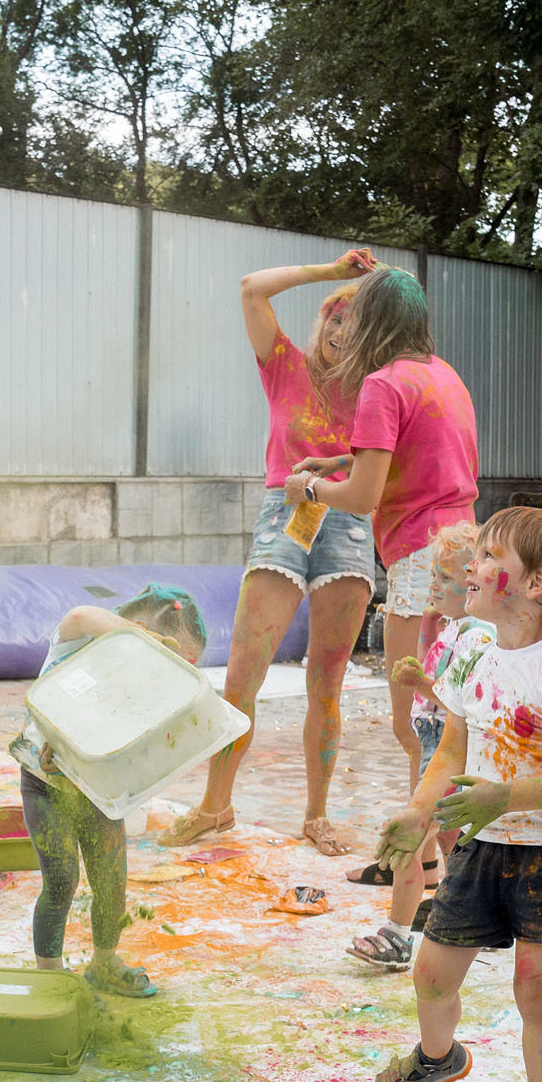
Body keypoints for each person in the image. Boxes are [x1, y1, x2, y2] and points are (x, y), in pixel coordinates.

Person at [367, 508, 542, 1082]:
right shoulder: (474, 655)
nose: (471, 564)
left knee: (535, 986)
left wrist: (504, 797)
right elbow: (451, 751)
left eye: (489, 554)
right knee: (432, 973)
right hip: (478, 846)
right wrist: (416, 813)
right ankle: (438, 1055)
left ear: (534, 583)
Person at [159, 250, 381, 856]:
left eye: (354, 324)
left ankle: (316, 815)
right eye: (334, 319)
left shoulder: (376, 392)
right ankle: (215, 807)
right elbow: (251, 287)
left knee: (326, 684)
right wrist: (333, 275)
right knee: (243, 677)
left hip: (349, 522)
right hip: (285, 517)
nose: (340, 331)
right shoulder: (285, 364)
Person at [281, 270, 480, 798]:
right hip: (464, 555)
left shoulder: (381, 383)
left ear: (373, 320)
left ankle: (420, 862)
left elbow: (364, 498)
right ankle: (438, 858)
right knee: (447, 715)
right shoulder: (443, 375)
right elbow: (416, 447)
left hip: (419, 562)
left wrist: (309, 488)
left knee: (415, 724)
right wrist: (341, 458)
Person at [10, 585, 209, 999]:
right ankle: (50, 972)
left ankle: (103, 962)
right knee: (62, 878)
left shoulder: (143, 684)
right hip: (47, 785)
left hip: (98, 792)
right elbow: (80, 614)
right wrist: (146, 643)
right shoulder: (79, 642)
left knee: (111, 878)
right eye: (172, 659)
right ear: (135, 632)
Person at [347, 519, 491, 967]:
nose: (434, 584)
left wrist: (418, 683)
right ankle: (468, 912)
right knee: (451, 840)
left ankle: (396, 936)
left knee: (412, 840)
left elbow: (458, 702)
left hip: (452, 750)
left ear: (473, 584)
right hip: (439, 745)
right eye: (434, 575)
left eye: (445, 578)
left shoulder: (476, 636)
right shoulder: (452, 629)